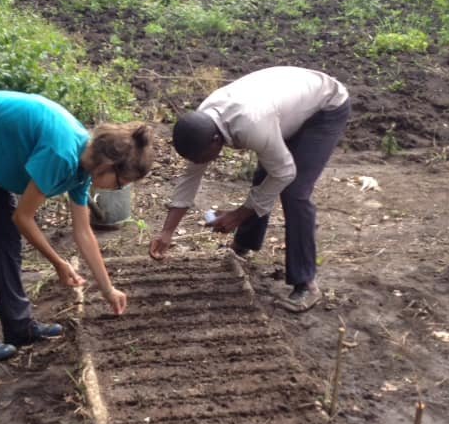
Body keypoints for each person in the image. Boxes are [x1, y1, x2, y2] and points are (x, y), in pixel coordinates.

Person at [0, 89, 154, 361]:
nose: (117, 189)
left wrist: (108, 289)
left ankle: (19, 326)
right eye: (120, 183)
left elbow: (83, 232)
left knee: (4, 240)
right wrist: (58, 262)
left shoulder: (83, 169)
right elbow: (23, 218)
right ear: (108, 164)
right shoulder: (62, 155)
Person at [149, 66, 350, 312]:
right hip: (285, 105)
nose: (200, 162)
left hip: (324, 107)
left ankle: (305, 283)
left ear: (215, 140)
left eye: (202, 157)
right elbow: (190, 177)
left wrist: (238, 215)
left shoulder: (251, 125)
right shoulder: (201, 124)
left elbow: (285, 172)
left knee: (294, 191)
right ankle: (244, 245)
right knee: (265, 174)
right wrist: (167, 232)